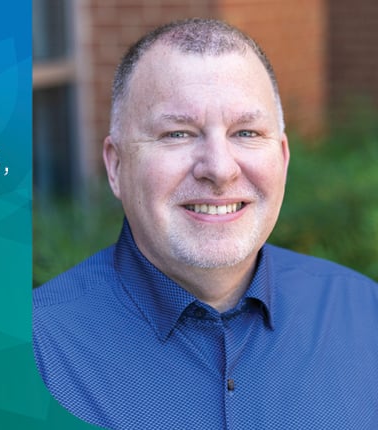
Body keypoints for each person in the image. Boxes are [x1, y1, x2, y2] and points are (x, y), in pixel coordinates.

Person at [32, 18, 378, 429]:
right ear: (116, 165)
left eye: (246, 132)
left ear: (282, 158)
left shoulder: (363, 313)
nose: (219, 168)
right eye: (178, 133)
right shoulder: (28, 353)